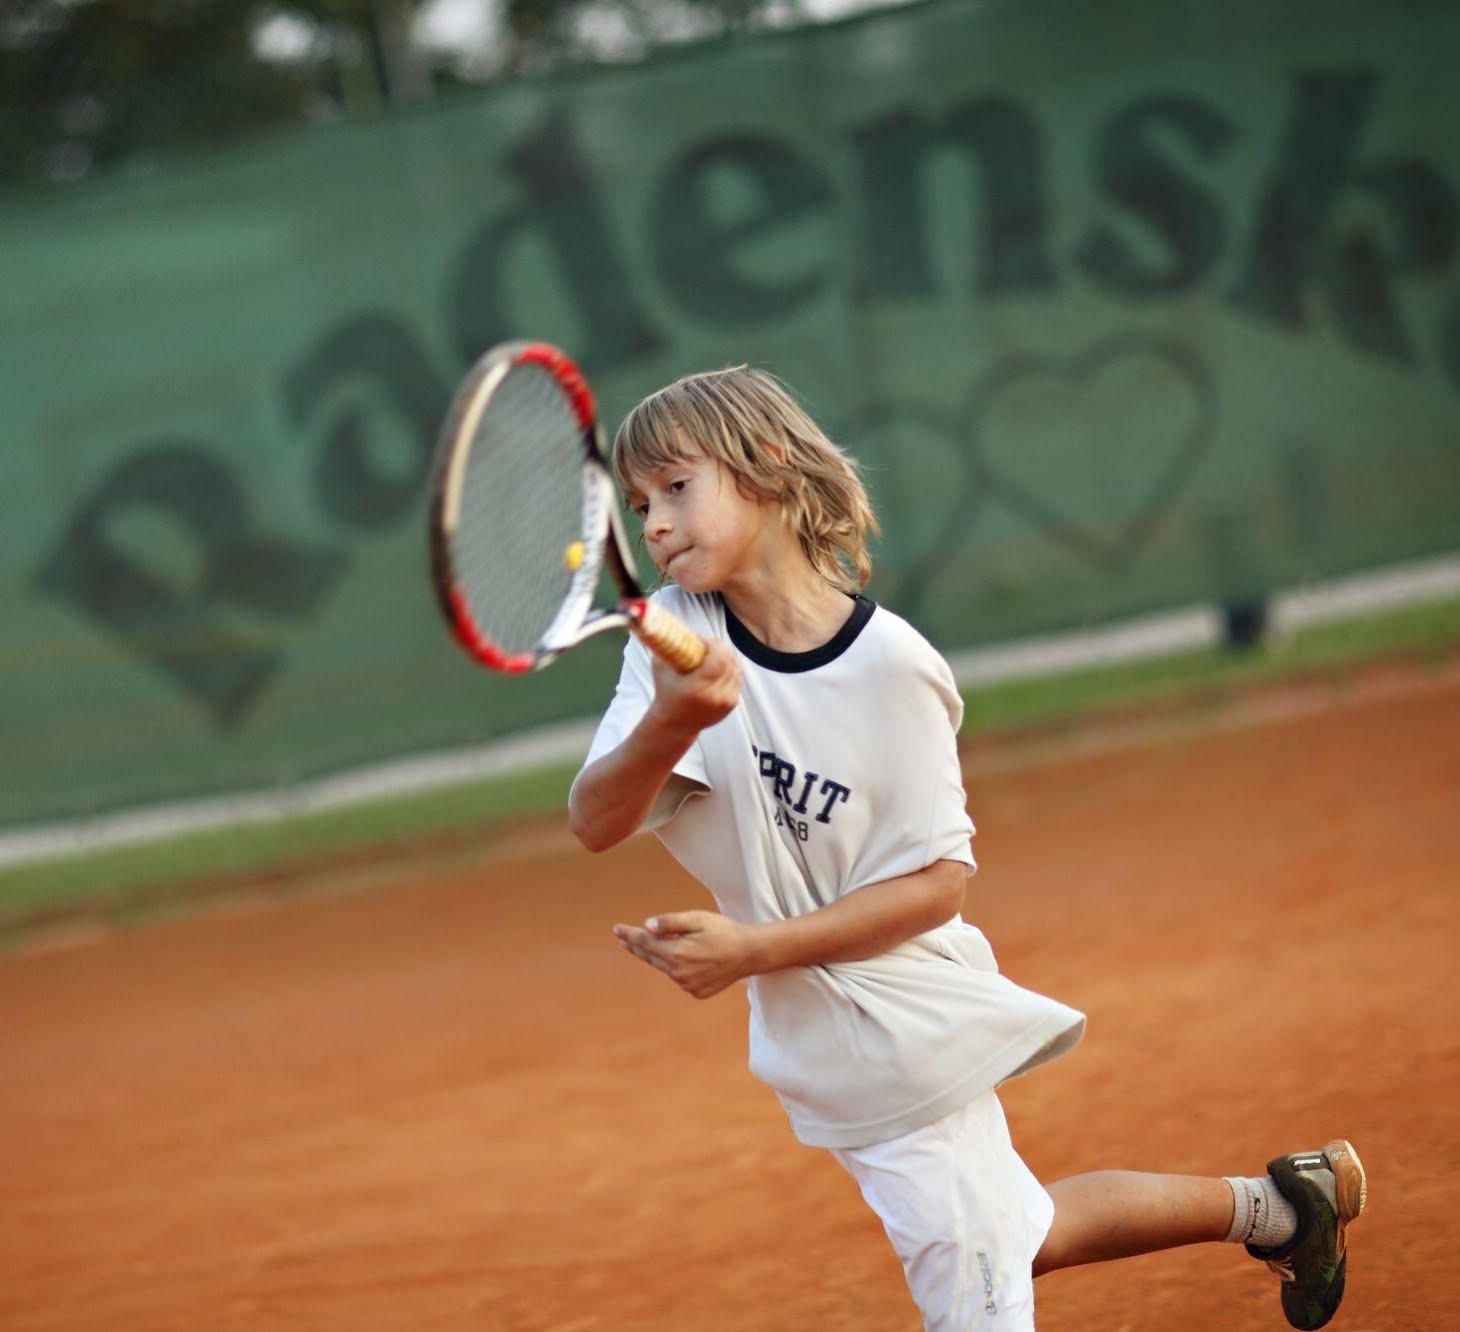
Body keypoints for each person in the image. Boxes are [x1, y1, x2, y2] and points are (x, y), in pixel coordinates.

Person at [566, 366, 1366, 1330]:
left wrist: (749, 953)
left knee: (975, 1287)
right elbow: (595, 821)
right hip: (815, 1034)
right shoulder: (675, 638)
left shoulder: (891, 667)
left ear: (767, 465)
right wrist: (665, 723)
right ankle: (1284, 1206)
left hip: (904, 1021)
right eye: (639, 502)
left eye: (676, 488)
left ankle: (1282, 1208)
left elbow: (937, 885)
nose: (651, 524)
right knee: (1019, 1231)